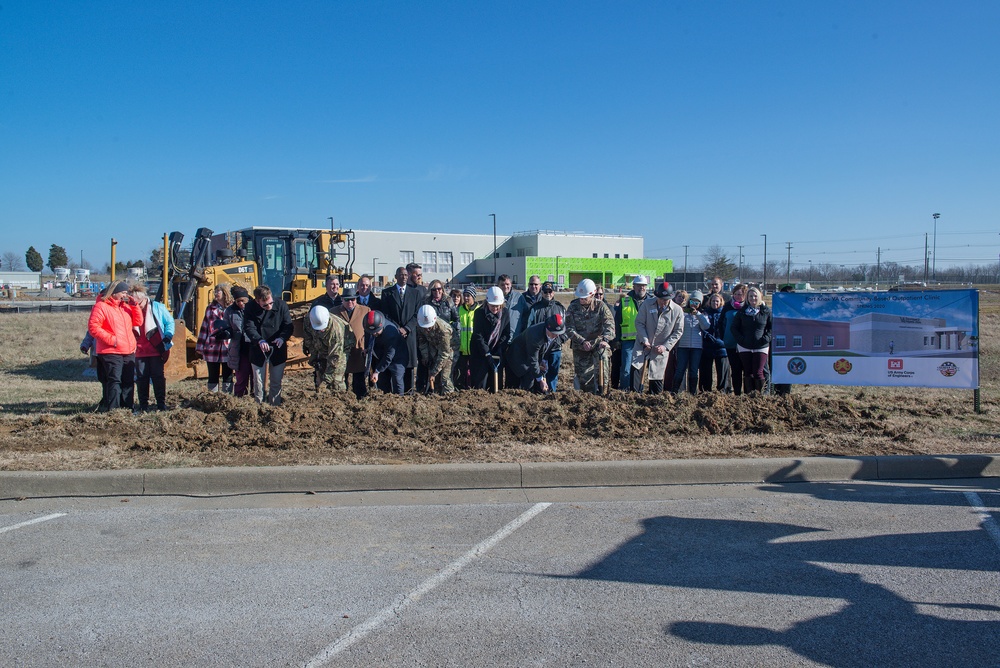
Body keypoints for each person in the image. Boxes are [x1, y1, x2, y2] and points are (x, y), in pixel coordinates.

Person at [87, 280, 143, 411]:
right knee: (114, 380)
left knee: (128, 381)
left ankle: (128, 408)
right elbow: (93, 327)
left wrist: (135, 306)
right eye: (123, 292)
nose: (125, 295)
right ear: (114, 292)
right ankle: (113, 409)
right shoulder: (101, 306)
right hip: (110, 350)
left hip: (128, 350)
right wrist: (112, 340)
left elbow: (138, 321)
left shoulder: (125, 307)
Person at [243, 285, 294, 405]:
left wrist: (282, 338)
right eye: (265, 305)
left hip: (277, 348)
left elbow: (288, 326)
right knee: (258, 382)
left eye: (271, 303)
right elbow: (249, 327)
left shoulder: (281, 305)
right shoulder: (250, 307)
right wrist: (259, 340)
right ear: (257, 301)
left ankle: (275, 406)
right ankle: (259, 406)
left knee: (276, 381)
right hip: (258, 348)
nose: (269, 307)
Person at [630, 282, 684, 394]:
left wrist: (665, 347)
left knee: (656, 375)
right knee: (636, 369)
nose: (663, 302)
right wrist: (644, 340)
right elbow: (639, 323)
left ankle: (654, 399)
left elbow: (678, 331)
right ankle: (634, 395)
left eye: (666, 300)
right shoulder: (646, 304)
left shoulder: (677, 311)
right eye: (661, 299)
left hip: (660, 348)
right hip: (642, 344)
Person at [565, 278, 615, 394]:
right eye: (580, 297)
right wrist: (582, 341)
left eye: (585, 297)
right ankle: (588, 397)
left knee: (603, 368)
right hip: (580, 347)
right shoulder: (573, 307)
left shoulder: (601, 306)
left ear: (592, 294)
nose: (581, 300)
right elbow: (569, 328)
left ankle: (603, 393)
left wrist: (605, 339)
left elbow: (610, 325)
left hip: (598, 344)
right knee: (584, 377)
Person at [129, 284, 174, 411]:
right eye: (135, 303)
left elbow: (169, 322)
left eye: (140, 303)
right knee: (141, 378)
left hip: (156, 349)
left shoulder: (158, 307)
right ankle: (143, 405)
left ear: (145, 299)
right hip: (139, 350)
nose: (138, 306)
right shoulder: (131, 309)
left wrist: (168, 335)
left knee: (158, 377)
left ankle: (161, 404)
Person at [381, 266, 422, 392]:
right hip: (393, 335)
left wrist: (407, 328)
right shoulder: (387, 293)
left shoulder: (415, 293)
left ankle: (408, 393)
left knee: (409, 367)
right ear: (396, 277)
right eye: (401, 275)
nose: (404, 277)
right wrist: (397, 328)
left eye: (405, 275)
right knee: (391, 365)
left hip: (409, 336)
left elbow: (417, 314)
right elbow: (385, 314)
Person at [505, 313, 566, 392]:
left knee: (531, 380)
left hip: (530, 359)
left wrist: (543, 361)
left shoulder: (553, 335)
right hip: (517, 357)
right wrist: (541, 380)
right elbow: (533, 359)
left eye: (558, 333)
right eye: (554, 333)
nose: (556, 336)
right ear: (548, 328)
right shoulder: (535, 335)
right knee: (514, 386)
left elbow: (546, 349)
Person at [731, 286, 773, 394]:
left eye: (755, 296)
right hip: (745, 346)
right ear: (747, 298)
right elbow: (734, 328)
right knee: (748, 372)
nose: (753, 298)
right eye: (750, 296)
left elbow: (771, 328)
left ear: (759, 297)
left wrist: (765, 339)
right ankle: (749, 397)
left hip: (761, 346)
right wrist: (741, 340)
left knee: (758, 372)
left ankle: (760, 396)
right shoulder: (742, 312)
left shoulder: (766, 311)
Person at [526, 281, 567, 391]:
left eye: (550, 291)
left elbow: (566, 328)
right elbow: (528, 327)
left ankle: (551, 393)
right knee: (538, 370)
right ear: (541, 292)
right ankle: (538, 392)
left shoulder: (560, 308)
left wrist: (560, 340)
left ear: (553, 293)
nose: (547, 293)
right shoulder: (535, 309)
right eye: (545, 291)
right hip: (539, 347)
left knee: (553, 373)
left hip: (555, 348)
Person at [332, 287, 371, 399]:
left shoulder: (365, 310)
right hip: (341, 350)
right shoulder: (333, 311)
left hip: (358, 349)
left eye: (353, 299)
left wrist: (366, 347)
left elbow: (369, 331)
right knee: (340, 378)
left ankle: (360, 398)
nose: (350, 302)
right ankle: (342, 398)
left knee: (359, 379)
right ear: (342, 300)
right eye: (347, 300)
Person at [470, 286, 510, 391]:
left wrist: (499, 350)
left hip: (497, 352)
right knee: (479, 381)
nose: (495, 308)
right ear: (487, 302)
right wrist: (487, 353)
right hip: (480, 351)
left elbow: (506, 334)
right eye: (492, 305)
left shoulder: (505, 313)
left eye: (498, 306)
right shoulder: (479, 313)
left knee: (496, 382)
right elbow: (478, 335)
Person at [195, 284, 233, 393]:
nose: (216, 294)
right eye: (215, 292)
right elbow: (204, 328)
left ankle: (227, 397)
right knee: (212, 376)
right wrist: (200, 346)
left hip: (228, 347)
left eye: (218, 292)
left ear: (225, 293)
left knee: (228, 375)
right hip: (212, 347)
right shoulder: (210, 308)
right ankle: (212, 397)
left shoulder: (231, 308)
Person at [614, 275, 649, 392]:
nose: (641, 288)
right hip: (628, 340)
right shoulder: (625, 301)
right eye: (639, 285)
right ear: (634, 286)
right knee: (626, 367)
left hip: (645, 340)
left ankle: (638, 389)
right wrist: (617, 339)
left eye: (643, 285)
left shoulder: (651, 302)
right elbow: (618, 321)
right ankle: (625, 389)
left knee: (640, 366)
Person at [672, 290, 710, 394]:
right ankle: (675, 390)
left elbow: (706, 326)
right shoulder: (683, 312)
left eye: (697, 302)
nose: (694, 304)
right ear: (689, 301)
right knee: (680, 369)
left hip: (696, 347)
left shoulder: (702, 314)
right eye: (692, 301)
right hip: (683, 346)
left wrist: (698, 314)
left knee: (693, 370)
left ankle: (692, 392)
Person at [303, 305, 347, 393]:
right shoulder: (308, 319)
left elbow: (335, 357)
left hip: (342, 346)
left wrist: (325, 381)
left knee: (336, 376)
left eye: (322, 328)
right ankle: (321, 394)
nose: (321, 330)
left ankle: (339, 396)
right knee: (321, 367)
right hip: (322, 344)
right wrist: (314, 359)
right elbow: (309, 339)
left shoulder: (336, 330)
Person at [364, 310, 409, 395]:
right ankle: (384, 399)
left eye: (376, 331)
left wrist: (377, 371)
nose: (374, 334)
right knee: (382, 381)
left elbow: (388, 356)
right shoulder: (368, 326)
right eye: (372, 332)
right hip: (380, 355)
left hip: (397, 357)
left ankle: (399, 400)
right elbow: (369, 339)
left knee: (397, 380)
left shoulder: (391, 334)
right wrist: (367, 348)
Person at [416, 304, 454, 394]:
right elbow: (422, 342)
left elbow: (445, 353)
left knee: (444, 377)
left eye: (429, 327)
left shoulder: (444, 330)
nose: (427, 330)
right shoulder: (420, 324)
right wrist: (425, 357)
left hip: (449, 349)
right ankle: (436, 396)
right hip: (434, 346)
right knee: (434, 377)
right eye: (425, 327)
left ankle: (449, 396)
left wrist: (434, 372)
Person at [699, 291, 731, 392]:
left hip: (721, 346)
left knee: (723, 370)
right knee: (705, 370)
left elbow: (727, 329)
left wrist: (723, 341)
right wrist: (706, 335)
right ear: (710, 302)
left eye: (717, 301)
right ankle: (705, 390)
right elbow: (701, 327)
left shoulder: (724, 314)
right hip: (707, 345)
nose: (715, 303)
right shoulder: (705, 313)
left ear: (721, 302)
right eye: (713, 301)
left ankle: (724, 390)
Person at [224, 285, 253, 397]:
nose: (240, 303)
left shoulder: (254, 308)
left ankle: (256, 399)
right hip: (239, 350)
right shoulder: (230, 311)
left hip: (254, 348)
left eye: (242, 301)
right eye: (238, 301)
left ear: (247, 299)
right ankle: (240, 399)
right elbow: (227, 327)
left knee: (256, 378)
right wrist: (226, 333)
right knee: (241, 378)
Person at [721, 283, 748, 395]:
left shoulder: (748, 307)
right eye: (736, 294)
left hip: (745, 344)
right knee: (735, 370)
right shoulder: (727, 306)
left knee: (746, 370)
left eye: (740, 294)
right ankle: (737, 393)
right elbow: (721, 323)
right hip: (731, 344)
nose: (737, 296)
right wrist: (724, 337)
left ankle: (748, 393)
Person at [455, 285, 479, 389]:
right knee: (461, 373)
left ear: (473, 297)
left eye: (468, 295)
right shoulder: (459, 310)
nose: (465, 298)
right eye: (464, 295)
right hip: (462, 349)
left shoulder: (479, 311)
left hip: (475, 350)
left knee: (474, 373)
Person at [498, 274, 528, 339]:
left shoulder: (519, 297)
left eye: (507, 284)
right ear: (498, 285)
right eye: (502, 285)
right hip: (499, 338)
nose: (505, 287)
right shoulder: (495, 298)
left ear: (511, 284)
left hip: (515, 337)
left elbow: (526, 315)